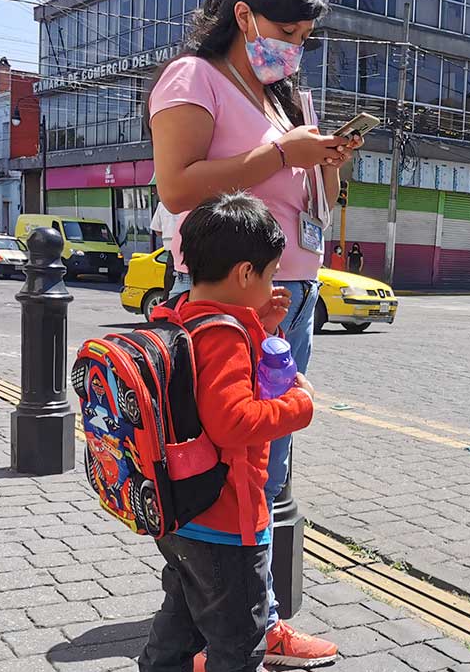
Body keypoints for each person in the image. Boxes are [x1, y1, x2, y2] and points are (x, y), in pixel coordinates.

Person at [149, 0, 360, 667]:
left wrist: (325, 158)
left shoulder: (284, 94)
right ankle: (241, 629)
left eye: (304, 36)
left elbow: (308, 193)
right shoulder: (194, 78)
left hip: (286, 290)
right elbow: (178, 188)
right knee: (226, 463)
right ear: (243, 16)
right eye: (285, 30)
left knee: (261, 473)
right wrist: (281, 154)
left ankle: (220, 627)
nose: (293, 46)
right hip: (222, 297)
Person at [138, 191, 315, 672]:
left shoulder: (182, 317)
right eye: (271, 273)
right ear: (244, 273)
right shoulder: (225, 335)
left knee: (180, 624)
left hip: (180, 514)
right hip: (226, 521)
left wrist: (262, 323)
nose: (274, 281)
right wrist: (299, 406)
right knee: (239, 640)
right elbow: (233, 421)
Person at [151, 202, 182, 299]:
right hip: (186, 249)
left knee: (169, 287)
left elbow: (157, 230)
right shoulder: (190, 201)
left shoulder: (163, 204)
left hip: (171, 251)